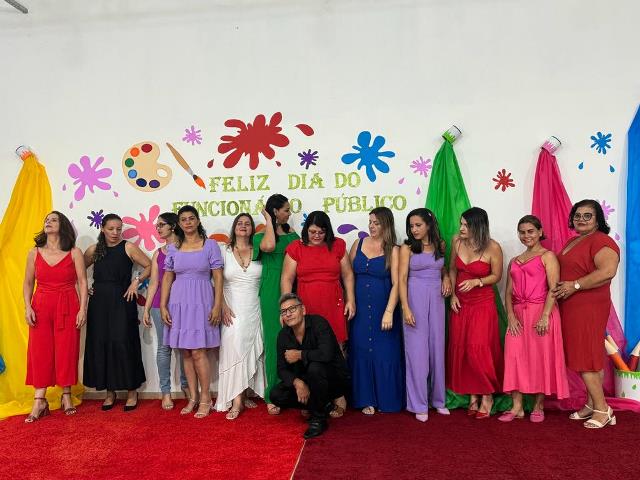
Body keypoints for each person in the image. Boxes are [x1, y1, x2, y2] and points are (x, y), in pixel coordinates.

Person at [552, 199, 620, 429]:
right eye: (577, 215)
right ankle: (591, 404)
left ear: (598, 219)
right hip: (573, 306)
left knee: (586, 357)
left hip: (588, 306)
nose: (581, 219)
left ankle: (603, 409)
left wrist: (575, 285)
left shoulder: (601, 241)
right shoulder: (574, 240)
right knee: (588, 354)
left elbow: (608, 271)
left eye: (587, 215)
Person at [281, 210, 355, 417]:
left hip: (333, 304)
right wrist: (286, 309)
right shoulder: (296, 248)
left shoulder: (338, 245)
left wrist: (351, 299)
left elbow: (348, 275)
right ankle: (312, 399)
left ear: (327, 231)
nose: (316, 236)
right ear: (306, 230)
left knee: (337, 350)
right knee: (307, 351)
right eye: (312, 232)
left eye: (321, 232)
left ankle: (338, 396)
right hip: (307, 307)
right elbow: (287, 279)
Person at [500, 215, 569, 423]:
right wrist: (510, 316)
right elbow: (508, 292)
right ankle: (517, 407)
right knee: (514, 357)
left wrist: (545, 316)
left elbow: (554, 288)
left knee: (540, 358)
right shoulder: (514, 261)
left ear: (540, 232)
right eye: (522, 232)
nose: (526, 235)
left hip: (541, 312)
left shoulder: (548, 256)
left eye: (530, 231)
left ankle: (538, 406)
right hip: (518, 315)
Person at [23, 211, 88, 422]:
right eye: (46, 220)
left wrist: (83, 309)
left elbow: (83, 282)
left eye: (53, 220)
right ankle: (39, 400)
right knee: (39, 351)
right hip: (40, 305)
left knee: (67, 349)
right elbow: (28, 282)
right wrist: (27, 307)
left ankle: (66, 395)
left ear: (63, 225)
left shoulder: (74, 252)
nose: (48, 222)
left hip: (68, 304)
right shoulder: (34, 252)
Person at [160, 205, 223, 419]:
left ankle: (206, 398)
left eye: (191, 218)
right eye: (183, 219)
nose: (188, 222)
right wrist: (163, 305)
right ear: (178, 224)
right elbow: (167, 277)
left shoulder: (210, 245)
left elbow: (218, 277)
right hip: (178, 302)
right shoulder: (173, 247)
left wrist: (217, 305)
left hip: (202, 301)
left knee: (198, 351)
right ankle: (193, 397)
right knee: (185, 352)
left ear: (198, 221)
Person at [83, 214, 150, 411]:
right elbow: (76, 271)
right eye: (111, 229)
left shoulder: (128, 247)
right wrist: (85, 287)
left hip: (123, 300)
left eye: (119, 229)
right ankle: (109, 393)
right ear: (102, 229)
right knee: (101, 344)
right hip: (99, 303)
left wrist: (136, 282)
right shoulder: (93, 250)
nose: (115, 232)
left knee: (124, 343)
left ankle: (132, 391)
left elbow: (150, 265)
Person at [447, 207, 504, 419]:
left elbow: (497, 276)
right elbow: (452, 269)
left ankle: (487, 395)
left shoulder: (493, 247)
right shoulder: (456, 241)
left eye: (466, 225)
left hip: (482, 304)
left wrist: (477, 281)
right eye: (461, 224)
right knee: (463, 348)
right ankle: (473, 394)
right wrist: (453, 295)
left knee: (478, 349)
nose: (461, 228)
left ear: (478, 227)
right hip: (461, 303)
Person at [270, 293, 350, 439]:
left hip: (332, 379)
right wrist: (298, 383)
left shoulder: (319, 323)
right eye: (284, 311)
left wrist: (300, 354)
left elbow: (326, 354)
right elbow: (281, 369)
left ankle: (318, 419)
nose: (288, 314)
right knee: (276, 395)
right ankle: (321, 404)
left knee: (315, 367)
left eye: (292, 309)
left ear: (303, 310)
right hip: (307, 381)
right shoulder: (283, 335)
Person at [348, 207, 404, 415]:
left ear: (386, 225)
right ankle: (366, 399)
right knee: (361, 350)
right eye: (370, 222)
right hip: (360, 310)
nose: (371, 226)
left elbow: (397, 283)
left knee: (386, 351)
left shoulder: (394, 250)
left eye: (376, 223)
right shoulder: (358, 243)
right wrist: (350, 300)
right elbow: (348, 276)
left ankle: (387, 399)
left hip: (384, 308)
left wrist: (389, 311)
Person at [399, 208, 452, 422]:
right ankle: (418, 404)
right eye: (411, 226)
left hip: (437, 300)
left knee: (437, 349)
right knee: (417, 353)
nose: (414, 229)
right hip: (414, 298)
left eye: (418, 225)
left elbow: (442, 268)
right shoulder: (407, 248)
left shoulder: (440, 245)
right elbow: (402, 279)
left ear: (429, 225)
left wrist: (446, 277)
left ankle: (438, 401)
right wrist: (406, 308)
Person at [215, 213, 266, 419]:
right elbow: (215, 281)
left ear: (252, 229)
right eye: (240, 223)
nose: (243, 226)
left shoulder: (260, 250)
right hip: (232, 309)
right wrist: (222, 305)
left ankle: (243, 394)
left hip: (255, 308)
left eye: (247, 223)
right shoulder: (223, 251)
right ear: (234, 227)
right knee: (233, 349)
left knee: (249, 350)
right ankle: (236, 401)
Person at [253, 194, 299, 415]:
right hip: (272, 291)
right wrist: (269, 221)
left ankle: (295, 392)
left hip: (295, 288)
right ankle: (272, 393)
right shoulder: (260, 236)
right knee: (274, 342)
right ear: (275, 211)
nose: (289, 213)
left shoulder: (293, 235)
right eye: (286, 210)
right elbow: (270, 246)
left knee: (296, 342)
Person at [142, 212, 188, 410]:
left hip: (184, 304)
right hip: (159, 305)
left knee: (187, 347)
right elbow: (154, 283)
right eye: (157, 225)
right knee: (164, 347)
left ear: (173, 226)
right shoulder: (158, 253)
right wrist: (146, 309)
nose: (158, 228)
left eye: (161, 225)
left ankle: (187, 387)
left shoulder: (187, 248)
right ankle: (166, 392)